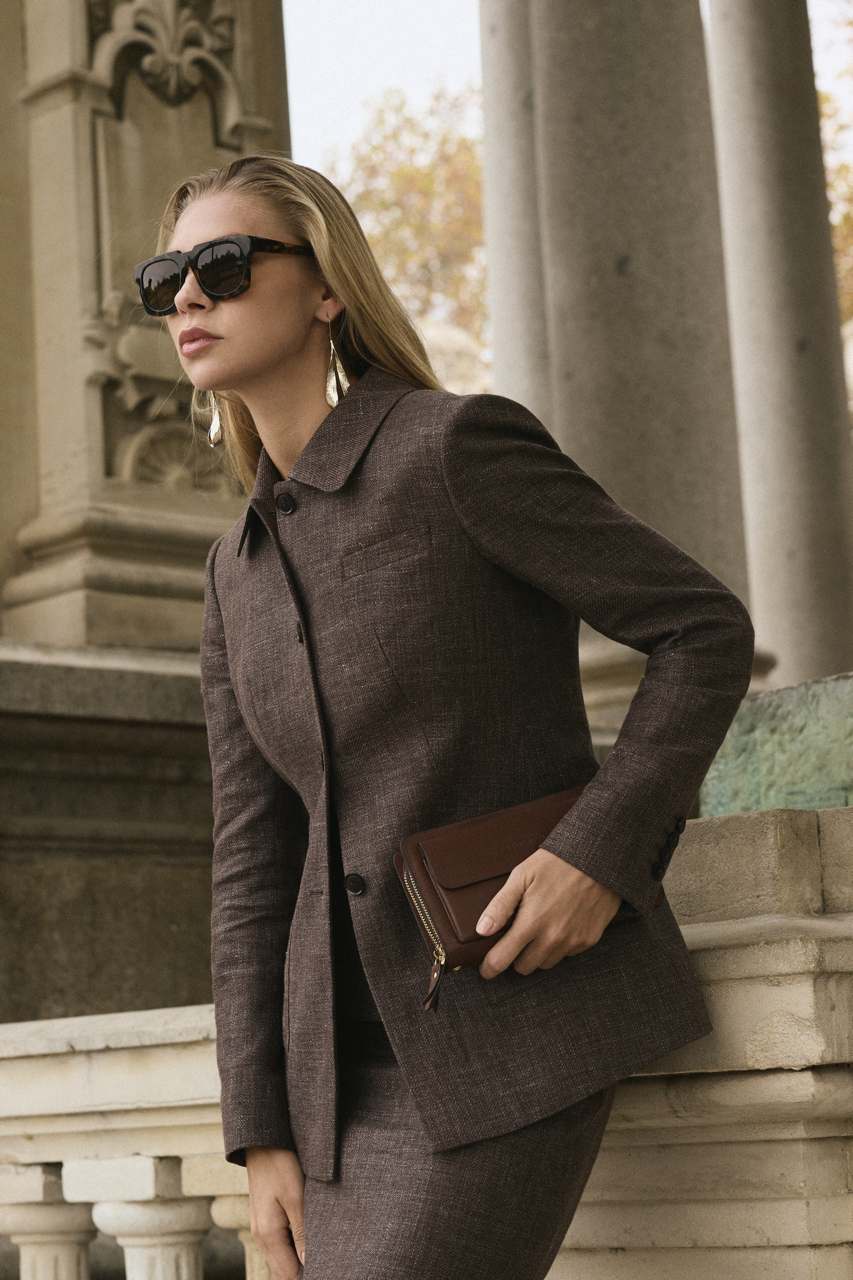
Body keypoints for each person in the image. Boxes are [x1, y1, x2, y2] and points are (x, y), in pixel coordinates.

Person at [134, 153, 754, 1280]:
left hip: (510, 1035)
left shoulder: (452, 449)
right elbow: (251, 860)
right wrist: (260, 1128)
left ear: (327, 287)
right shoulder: (235, 570)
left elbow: (698, 631)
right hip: (330, 1095)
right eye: (166, 275)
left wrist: (596, 853)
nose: (188, 295)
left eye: (223, 265)